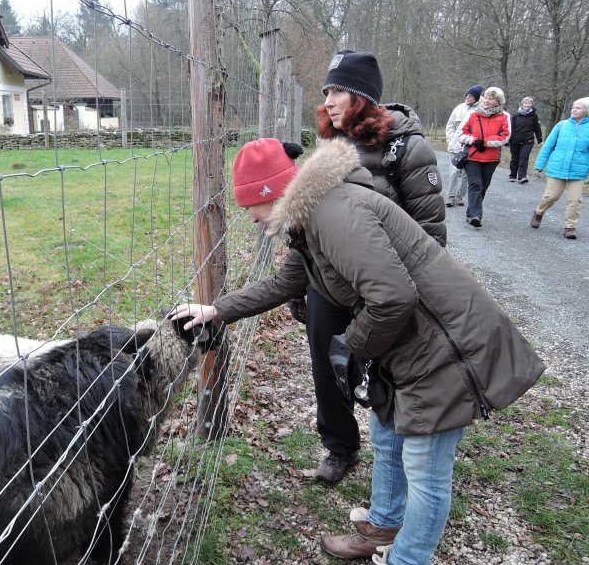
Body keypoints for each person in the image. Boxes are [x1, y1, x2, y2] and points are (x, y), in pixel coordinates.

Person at [172, 136, 544, 565]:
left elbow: (392, 297)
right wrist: (216, 310)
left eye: (248, 207)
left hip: (445, 344)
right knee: (387, 433)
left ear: (269, 194)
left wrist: (352, 347)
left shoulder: (335, 215)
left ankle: (407, 558)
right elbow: (285, 283)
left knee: (426, 470)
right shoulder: (311, 217)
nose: (250, 218)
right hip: (409, 342)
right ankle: (383, 526)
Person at [298, 49, 445, 484]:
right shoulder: (331, 147)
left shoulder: (409, 149)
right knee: (326, 364)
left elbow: (429, 235)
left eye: (339, 90)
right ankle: (340, 448)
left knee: (387, 370)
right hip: (329, 286)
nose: (329, 100)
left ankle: (395, 459)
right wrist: (301, 285)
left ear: (362, 96)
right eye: (326, 90)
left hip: (383, 287)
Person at [530, 97, 589, 240]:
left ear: (586, 111)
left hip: (578, 170)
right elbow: (548, 146)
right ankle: (539, 212)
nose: (574, 110)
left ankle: (570, 227)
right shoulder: (561, 125)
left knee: (575, 200)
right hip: (557, 167)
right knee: (551, 196)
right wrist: (539, 166)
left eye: (578, 108)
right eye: (573, 107)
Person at [457, 86, 511, 227]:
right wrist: (474, 140)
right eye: (486, 97)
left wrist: (486, 142)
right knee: (476, 185)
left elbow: (505, 137)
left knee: (483, 186)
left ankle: (471, 212)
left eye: (491, 98)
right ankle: (476, 215)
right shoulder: (473, 114)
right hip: (472, 156)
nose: (487, 100)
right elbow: (461, 134)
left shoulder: (505, 116)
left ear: (498, 101)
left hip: (491, 158)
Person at [444, 85, 482, 206]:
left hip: (471, 147)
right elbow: (450, 125)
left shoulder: (481, 110)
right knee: (454, 171)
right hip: (456, 145)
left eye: (470, 96)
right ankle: (451, 196)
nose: (467, 97)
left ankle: (460, 196)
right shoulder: (459, 108)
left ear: (476, 97)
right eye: (467, 95)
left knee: (467, 174)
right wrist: (451, 139)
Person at [508, 96, 543, 183]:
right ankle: (512, 175)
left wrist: (540, 140)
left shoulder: (534, 116)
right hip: (514, 140)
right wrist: (507, 140)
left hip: (528, 141)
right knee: (515, 158)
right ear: (522, 104)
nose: (527, 105)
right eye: (525, 103)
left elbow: (537, 129)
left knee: (524, 158)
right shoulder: (516, 115)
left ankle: (522, 177)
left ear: (531, 105)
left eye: (529, 103)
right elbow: (510, 128)